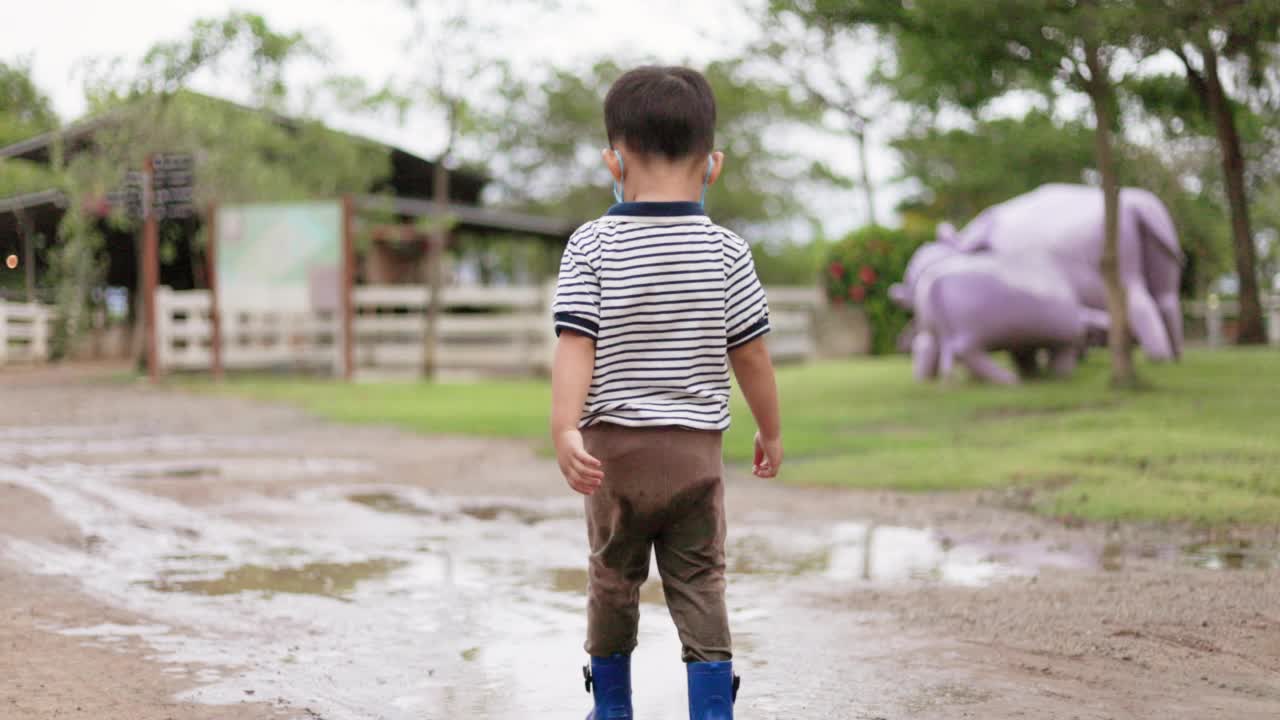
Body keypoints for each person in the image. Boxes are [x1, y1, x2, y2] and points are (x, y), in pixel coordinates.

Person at [549, 65, 783, 720]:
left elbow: (576, 342)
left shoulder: (591, 245)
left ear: (612, 161)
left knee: (612, 579)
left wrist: (566, 427)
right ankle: (712, 709)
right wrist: (770, 429)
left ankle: (613, 707)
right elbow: (753, 354)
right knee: (701, 582)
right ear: (713, 165)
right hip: (694, 460)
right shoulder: (728, 251)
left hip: (611, 458)